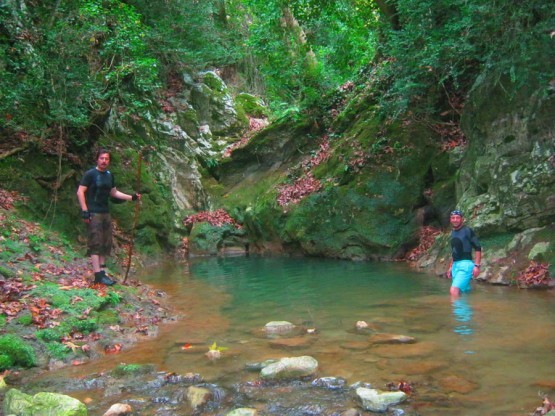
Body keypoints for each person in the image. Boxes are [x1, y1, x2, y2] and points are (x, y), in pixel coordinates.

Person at [77, 149, 141, 285]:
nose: (104, 161)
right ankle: (97, 275)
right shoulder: (90, 174)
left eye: (106, 159)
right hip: (93, 212)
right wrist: (85, 210)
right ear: (97, 159)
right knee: (96, 242)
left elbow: (114, 192)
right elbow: (80, 191)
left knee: (106, 242)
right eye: (101, 158)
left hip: (105, 212)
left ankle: (103, 271)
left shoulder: (109, 175)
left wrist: (131, 197)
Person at [447, 209, 482, 297]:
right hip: (455, 266)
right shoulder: (453, 233)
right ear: (450, 220)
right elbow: (454, 250)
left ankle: (457, 310)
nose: (455, 220)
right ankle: (466, 310)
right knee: (464, 292)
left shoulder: (467, 231)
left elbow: (478, 247)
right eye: (453, 218)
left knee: (454, 290)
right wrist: (451, 267)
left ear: (461, 219)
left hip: (465, 265)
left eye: (457, 218)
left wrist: (477, 265)